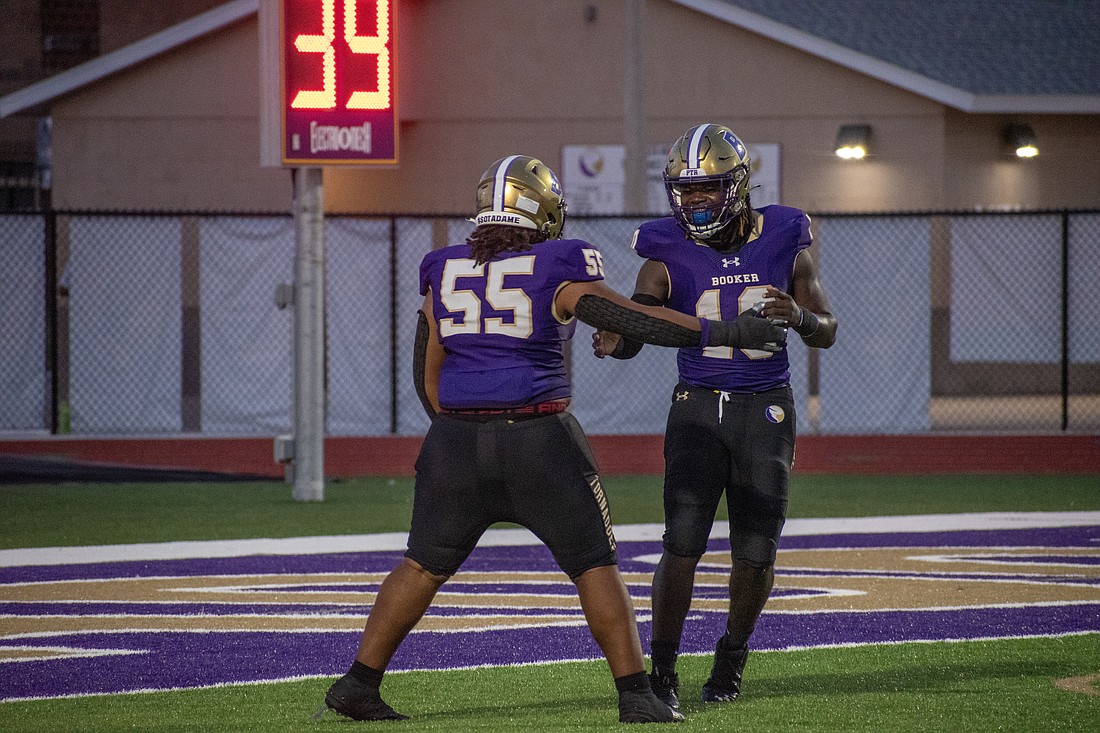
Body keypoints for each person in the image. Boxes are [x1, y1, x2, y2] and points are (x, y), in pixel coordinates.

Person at [320, 154, 787, 724]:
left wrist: (459, 427)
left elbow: (427, 368)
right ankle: (636, 694)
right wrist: (727, 330)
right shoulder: (558, 261)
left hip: (454, 442)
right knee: (595, 565)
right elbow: (635, 320)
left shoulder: (442, 267)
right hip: (538, 439)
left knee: (421, 565)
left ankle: (358, 683)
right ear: (543, 212)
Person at [593, 123, 838, 710]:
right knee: (681, 544)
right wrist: (615, 339)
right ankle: (664, 670)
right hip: (698, 408)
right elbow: (639, 328)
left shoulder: (785, 237)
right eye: (686, 189)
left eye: (707, 187)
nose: (695, 199)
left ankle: (731, 656)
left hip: (766, 408)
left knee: (756, 551)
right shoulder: (663, 252)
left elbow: (827, 330)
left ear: (738, 185)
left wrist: (800, 318)